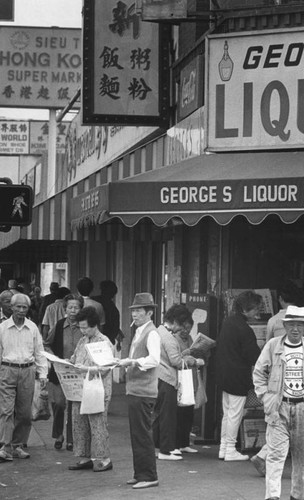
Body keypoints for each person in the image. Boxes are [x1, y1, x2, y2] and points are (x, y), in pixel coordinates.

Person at [253, 305, 304, 500]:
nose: (295, 329)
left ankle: (297, 496)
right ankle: (272, 497)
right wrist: (265, 396)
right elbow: (259, 372)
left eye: (299, 325)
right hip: (279, 407)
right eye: (291, 324)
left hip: (302, 407)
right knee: (275, 456)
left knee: (301, 458)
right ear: (285, 325)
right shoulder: (274, 345)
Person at [118, 292, 160, 490]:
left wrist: (132, 361)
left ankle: (149, 475)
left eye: (139, 311)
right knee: (137, 434)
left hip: (144, 391)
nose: (135, 314)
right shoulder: (138, 331)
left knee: (142, 434)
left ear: (149, 312)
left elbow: (154, 359)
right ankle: (139, 473)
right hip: (135, 389)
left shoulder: (151, 332)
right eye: (133, 311)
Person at [0, 293, 48, 461]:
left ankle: (18, 445)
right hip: (7, 370)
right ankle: (5, 447)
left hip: (27, 371)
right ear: (11, 308)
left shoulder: (33, 328)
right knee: (6, 410)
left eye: (24, 307)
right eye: (18, 307)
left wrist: (43, 374)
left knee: (24, 412)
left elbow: (39, 352)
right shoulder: (3, 328)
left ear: (28, 309)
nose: (21, 310)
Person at [216, 290, 262, 461]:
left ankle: (223, 448)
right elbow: (254, 356)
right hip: (237, 377)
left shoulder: (228, 322)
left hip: (224, 375)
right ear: (244, 309)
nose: (258, 311)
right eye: (255, 308)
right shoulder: (244, 329)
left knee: (227, 413)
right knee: (235, 414)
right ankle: (230, 450)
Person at [68, 306, 114, 472]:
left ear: (95, 325)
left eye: (85, 327)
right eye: (80, 327)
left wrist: (85, 369)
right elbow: (74, 359)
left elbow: (106, 368)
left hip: (97, 389)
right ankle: (84, 457)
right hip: (80, 388)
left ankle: (104, 459)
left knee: (98, 424)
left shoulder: (103, 342)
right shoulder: (82, 341)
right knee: (79, 423)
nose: (82, 330)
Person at [163, 304, 205, 455]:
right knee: (177, 412)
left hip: (190, 377)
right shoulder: (172, 338)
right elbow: (176, 358)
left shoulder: (190, 338)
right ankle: (174, 444)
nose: (186, 331)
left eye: (189, 328)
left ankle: (184, 443)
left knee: (188, 411)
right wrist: (188, 353)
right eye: (184, 328)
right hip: (179, 377)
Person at [44, 293, 83, 451]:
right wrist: (53, 359)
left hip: (78, 372)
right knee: (59, 404)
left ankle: (71, 439)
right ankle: (58, 435)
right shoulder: (59, 325)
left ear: (81, 309)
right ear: (65, 309)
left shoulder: (84, 326)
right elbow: (47, 343)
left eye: (76, 307)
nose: (73, 310)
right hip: (60, 372)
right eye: (70, 307)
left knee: (75, 407)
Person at [92, 280, 121, 345]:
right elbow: (115, 330)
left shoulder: (93, 301)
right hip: (107, 341)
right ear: (113, 294)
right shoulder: (113, 309)